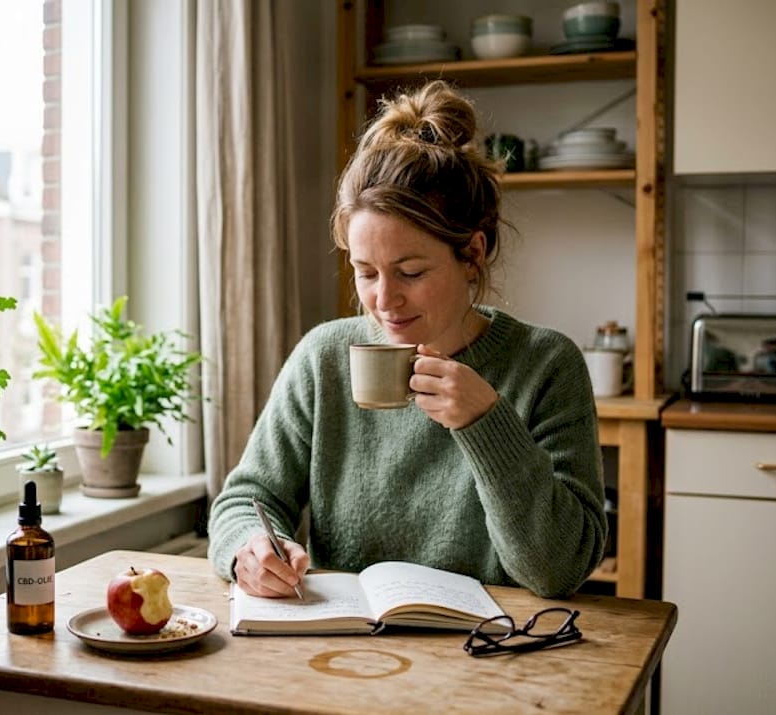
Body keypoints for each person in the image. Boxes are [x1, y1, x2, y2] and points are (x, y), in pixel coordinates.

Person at [206, 80, 605, 600]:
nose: (384, 300)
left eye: (410, 271)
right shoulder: (325, 356)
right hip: (344, 653)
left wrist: (488, 422)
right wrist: (251, 547)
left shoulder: (546, 364)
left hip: (493, 657)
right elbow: (246, 498)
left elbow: (557, 569)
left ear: (473, 254)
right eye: (365, 272)